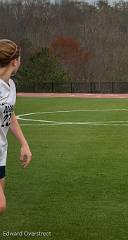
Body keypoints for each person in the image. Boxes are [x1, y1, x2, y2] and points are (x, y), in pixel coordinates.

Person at [0, 39, 32, 214]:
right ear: (14, 61)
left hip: (1, 152)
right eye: (20, 58)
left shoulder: (11, 86)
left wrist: (24, 143)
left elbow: (10, 115)